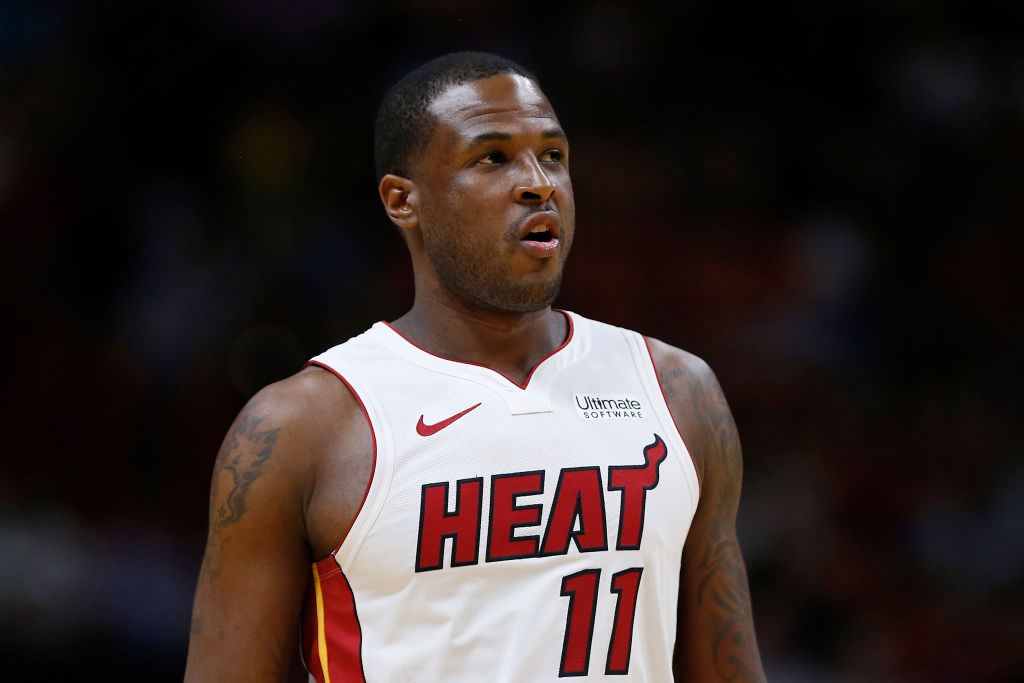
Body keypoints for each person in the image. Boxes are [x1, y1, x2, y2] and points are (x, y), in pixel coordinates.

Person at [185, 51, 766, 682]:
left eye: (553, 155)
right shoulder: (302, 427)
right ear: (403, 201)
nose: (538, 182)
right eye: (492, 157)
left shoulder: (678, 391)